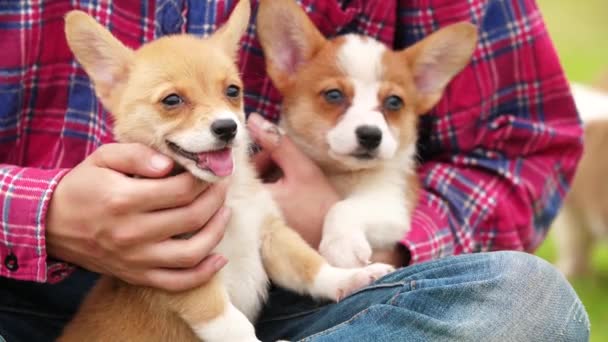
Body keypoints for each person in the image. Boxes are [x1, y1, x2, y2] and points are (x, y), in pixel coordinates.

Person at [0, 0, 589, 341]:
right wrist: (36, 211)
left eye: (231, 93)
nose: (223, 118)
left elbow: (524, 148)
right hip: (16, 296)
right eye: (174, 101)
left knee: (529, 300)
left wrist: (366, 246)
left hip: (297, 312)